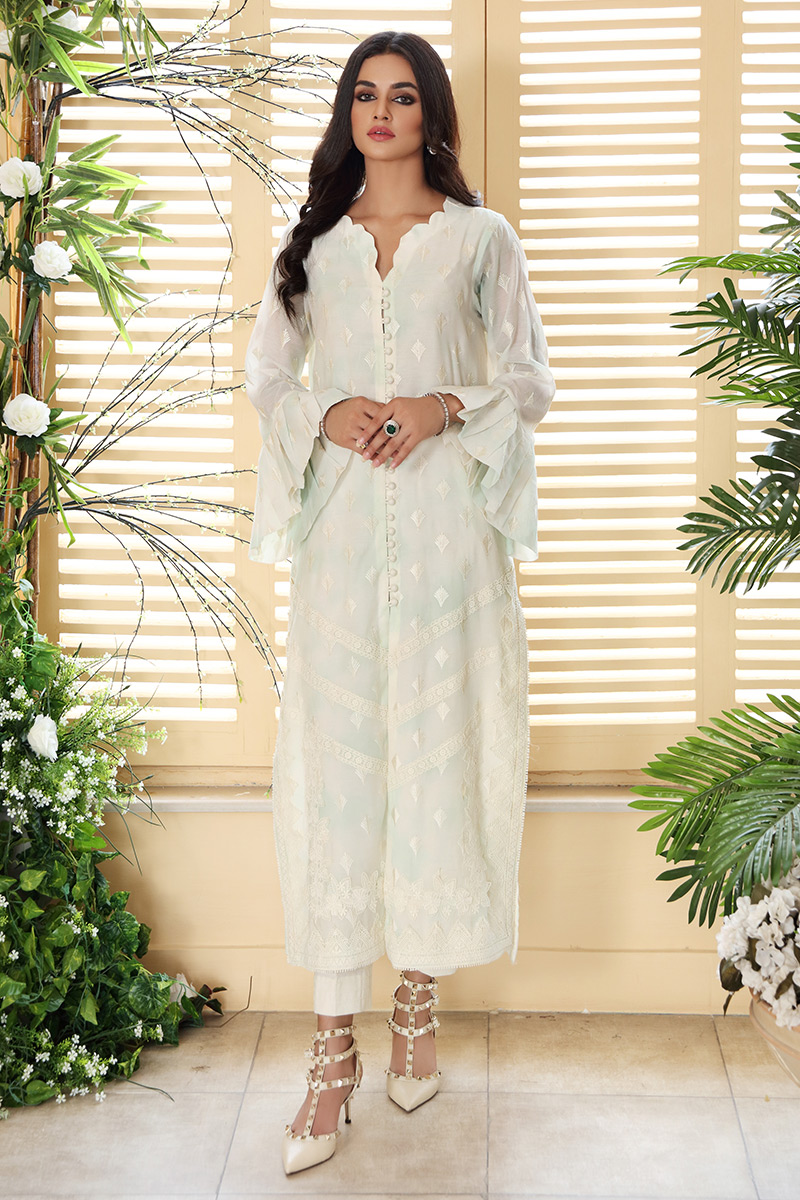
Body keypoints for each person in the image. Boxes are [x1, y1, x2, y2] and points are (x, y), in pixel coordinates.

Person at [244, 29, 556, 1176]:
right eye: (365, 95)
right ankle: (330, 1057)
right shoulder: (311, 249)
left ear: (431, 116)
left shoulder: (479, 239)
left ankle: (414, 1005)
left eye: (404, 95)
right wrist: (323, 413)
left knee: (431, 763)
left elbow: (529, 380)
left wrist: (438, 405)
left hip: (444, 551)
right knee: (338, 779)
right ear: (348, 114)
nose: (381, 112)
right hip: (339, 552)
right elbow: (266, 378)